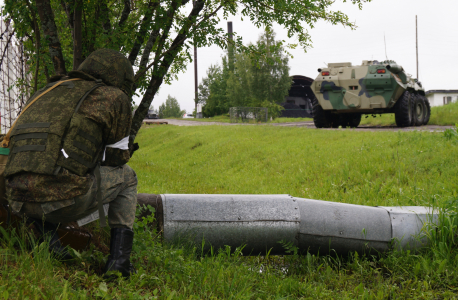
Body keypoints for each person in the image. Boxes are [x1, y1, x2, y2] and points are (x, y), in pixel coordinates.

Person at [3, 49, 138, 278]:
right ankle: (119, 263)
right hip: (62, 202)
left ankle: (50, 244)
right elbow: (116, 159)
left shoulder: (47, 90)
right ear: (121, 77)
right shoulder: (114, 97)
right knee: (127, 177)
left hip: (15, 199)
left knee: (40, 172)